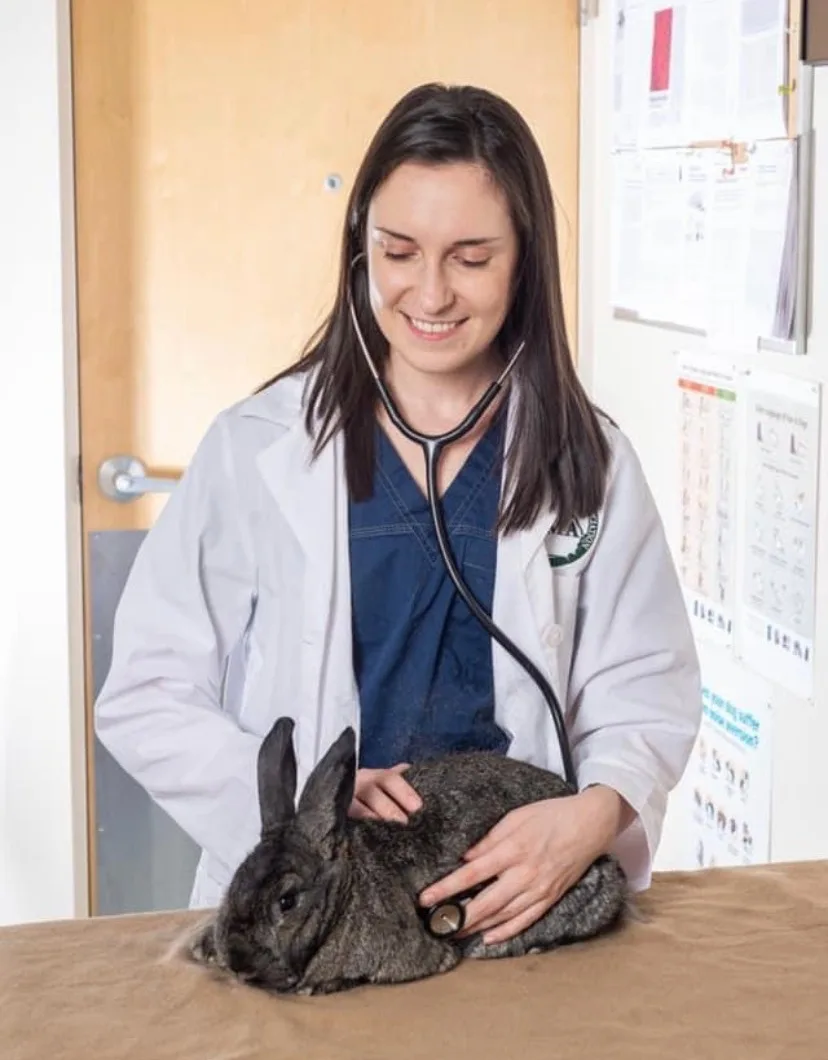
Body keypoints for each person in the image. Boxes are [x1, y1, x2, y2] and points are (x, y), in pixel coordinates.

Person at [95, 82, 701, 946]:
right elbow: (146, 695)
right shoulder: (257, 448)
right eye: (399, 250)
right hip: (314, 916)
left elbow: (645, 687)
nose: (431, 292)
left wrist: (593, 816)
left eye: (472, 257)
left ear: (526, 260)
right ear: (359, 249)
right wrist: (308, 805)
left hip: (515, 907)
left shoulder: (584, 458)